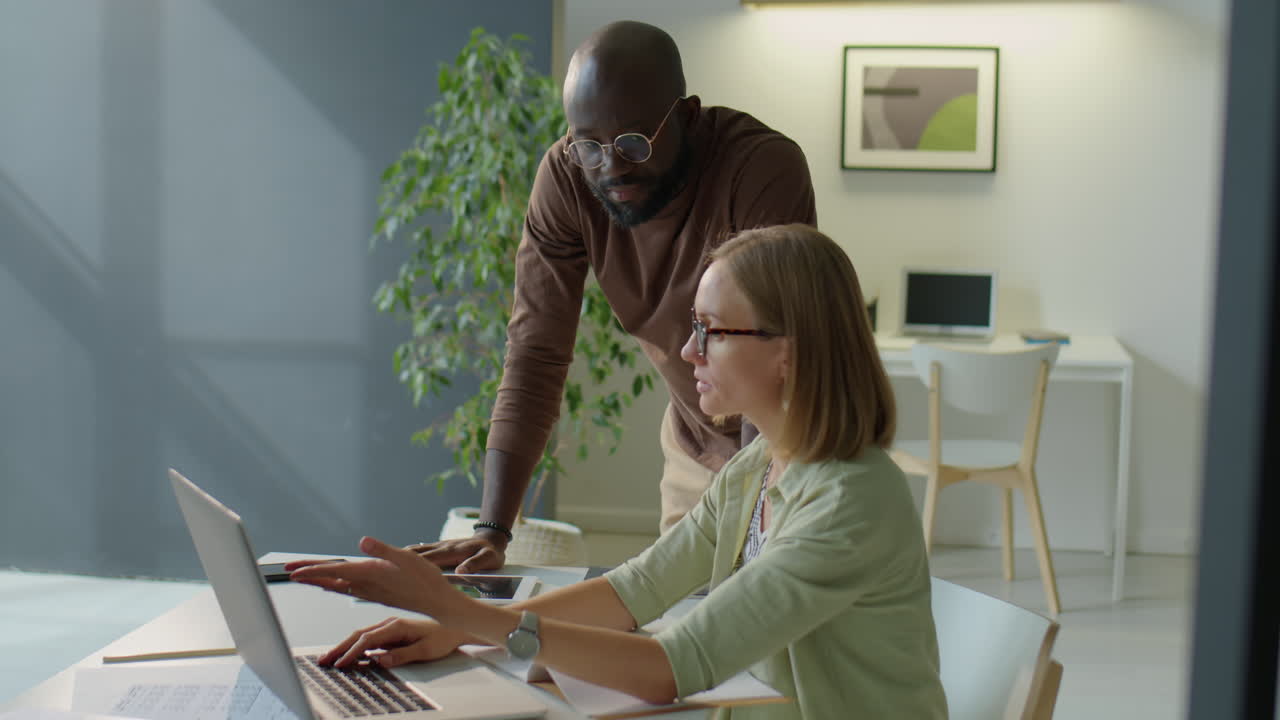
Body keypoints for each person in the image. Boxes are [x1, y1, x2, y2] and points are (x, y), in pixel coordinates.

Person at [291, 225, 947, 719]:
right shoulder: (760, 466)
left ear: (787, 353)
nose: (688, 350)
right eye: (694, 326)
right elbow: (634, 590)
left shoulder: (852, 501)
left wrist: (459, 611)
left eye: (713, 330)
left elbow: (673, 667)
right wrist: (453, 627)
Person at [412, 20, 817, 572]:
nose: (611, 166)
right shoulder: (566, 177)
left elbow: (764, 356)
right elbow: (535, 352)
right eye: (589, 144)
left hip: (791, 436)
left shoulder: (760, 170)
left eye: (633, 141)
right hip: (696, 437)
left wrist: (754, 532)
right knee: (682, 624)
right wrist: (492, 532)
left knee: (774, 629)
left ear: (689, 117)